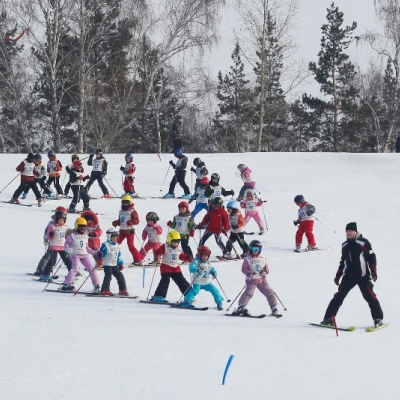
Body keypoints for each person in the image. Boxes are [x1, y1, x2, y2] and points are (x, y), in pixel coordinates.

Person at [321, 222, 384, 328]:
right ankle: (328, 318)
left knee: (370, 296)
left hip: (362, 276)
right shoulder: (345, 245)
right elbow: (343, 261)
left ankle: (378, 319)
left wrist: (373, 271)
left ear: (355, 232)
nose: (349, 233)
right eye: (347, 232)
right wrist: (338, 275)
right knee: (338, 296)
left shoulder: (363, 243)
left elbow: (371, 257)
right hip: (349, 276)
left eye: (351, 231)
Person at [232, 240, 281, 317]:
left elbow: (266, 267)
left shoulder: (262, 259)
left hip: (261, 280)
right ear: (250, 249)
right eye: (253, 249)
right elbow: (243, 268)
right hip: (251, 280)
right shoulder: (248, 259)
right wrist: (249, 273)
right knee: (249, 292)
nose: (255, 251)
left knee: (270, 292)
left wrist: (265, 272)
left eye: (257, 249)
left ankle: (274, 307)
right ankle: (241, 307)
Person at [150, 230, 192, 303]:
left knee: (181, 281)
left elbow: (180, 255)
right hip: (166, 267)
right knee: (165, 281)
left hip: (176, 268)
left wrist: (187, 258)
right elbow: (158, 251)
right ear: (169, 240)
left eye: (177, 242)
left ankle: (189, 294)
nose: (176, 244)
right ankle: (158, 296)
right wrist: (158, 254)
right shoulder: (165, 246)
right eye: (174, 242)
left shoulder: (178, 247)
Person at [61, 217, 100, 292]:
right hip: (75, 255)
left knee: (92, 269)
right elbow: (66, 244)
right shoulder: (72, 235)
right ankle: (67, 284)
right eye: (80, 226)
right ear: (76, 226)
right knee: (75, 269)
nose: (82, 228)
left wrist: (94, 253)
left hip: (84, 255)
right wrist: (67, 249)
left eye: (84, 226)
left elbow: (87, 248)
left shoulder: (85, 235)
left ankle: (96, 284)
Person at [33, 206, 69, 276]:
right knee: (48, 257)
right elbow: (47, 232)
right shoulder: (51, 223)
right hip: (52, 243)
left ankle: (73, 270)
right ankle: (40, 269)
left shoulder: (64, 224)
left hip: (62, 244)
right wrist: (46, 238)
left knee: (67, 257)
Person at [39, 209, 72, 282]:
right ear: (56, 219)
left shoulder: (66, 227)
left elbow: (67, 237)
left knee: (67, 260)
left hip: (62, 246)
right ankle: (46, 274)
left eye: (63, 220)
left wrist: (70, 242)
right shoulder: (52, 226)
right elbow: (48, 236)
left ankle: (72, 273)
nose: (61, 222)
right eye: (60, 220)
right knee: (52, 261)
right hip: (53, 246)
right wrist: (49, 236)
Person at [96, 228, 129, 296]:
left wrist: (120, 264)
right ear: (109, 236)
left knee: (120, 276)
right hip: (107, 264)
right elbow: (102, 253)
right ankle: (105, 290)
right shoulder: (105, 245)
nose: (115, 238)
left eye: (116, 237)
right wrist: (100, 255)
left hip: (114, 264)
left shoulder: (117, 246)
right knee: (108, 276)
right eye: (113, 237)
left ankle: (122, 289)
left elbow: (118, 255)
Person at [112, 195, 141, 266]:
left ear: (130, 203)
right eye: (124, 202)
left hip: (129, 231)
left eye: (127, 203)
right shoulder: (121, 211)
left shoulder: (132, 211)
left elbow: (137, 221)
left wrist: (132, 221)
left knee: (131, 246)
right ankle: (112, 259)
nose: (125, 204)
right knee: (115, 245)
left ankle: (138, 259)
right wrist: (117, 222)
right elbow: (121, 220)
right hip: (122, 231)